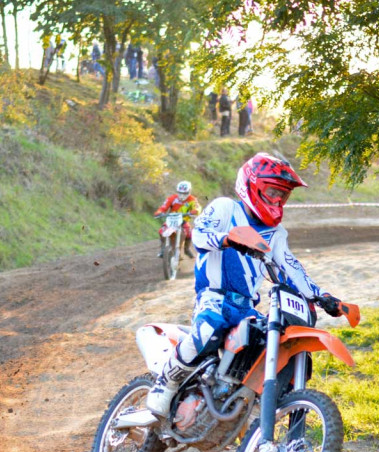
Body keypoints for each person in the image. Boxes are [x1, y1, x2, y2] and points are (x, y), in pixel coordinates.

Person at [145, 153, 345, 416]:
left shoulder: (276, 234)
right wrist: (229, 238)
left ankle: (241, 400)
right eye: (272, 191)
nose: (277, 200)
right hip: (215, 296)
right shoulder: (226, 208)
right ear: (253, 184)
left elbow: (291, 268)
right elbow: (199, 235)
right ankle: (166, 382)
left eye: (282, 196)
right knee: (210, 327)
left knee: (266, 343)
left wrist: (323, 297)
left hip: (247, 306)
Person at [153, 180, 201, 259]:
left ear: (189, 191)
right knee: (162, 230)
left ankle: (186, 249)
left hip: (183, 220)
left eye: (184, 193)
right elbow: (163, 207)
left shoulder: (192, 199)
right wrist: (159, 212)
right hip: (171, 219)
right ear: (177, 191)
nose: (182, 195)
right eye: (180, 193)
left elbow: (197, 207)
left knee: (189, 232)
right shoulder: (172, 198)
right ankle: (163, 248)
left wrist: (195, 211)